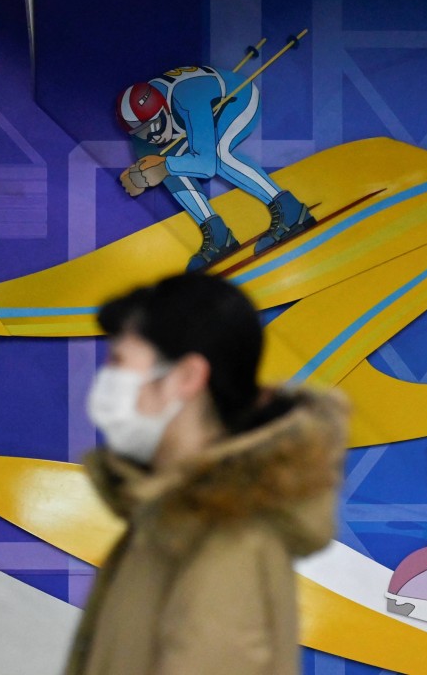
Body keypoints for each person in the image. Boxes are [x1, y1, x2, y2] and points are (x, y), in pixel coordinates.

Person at [65, 273, 348, 675]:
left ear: (186, 377)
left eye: (119, 362)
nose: (106, 383)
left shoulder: (231, 542)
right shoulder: (167, 520)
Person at [116, 66, 316, 270]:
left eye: (155, 125)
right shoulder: (141, 135)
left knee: (218, 155)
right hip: (201, 116)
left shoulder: (186, 95)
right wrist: (138, 177)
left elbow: (206, 165)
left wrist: (163, 166)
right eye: (142, 132)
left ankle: (291, 210)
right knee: (168, 170)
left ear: (164, 108)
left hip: (235, 100)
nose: (153, 137)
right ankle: (218, 236)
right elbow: (153, 166)